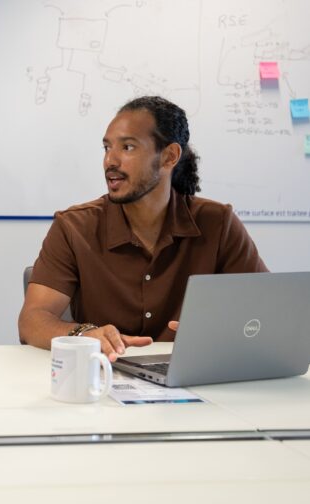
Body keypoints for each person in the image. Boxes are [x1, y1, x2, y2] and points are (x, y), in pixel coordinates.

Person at [19, 95, 267, 360]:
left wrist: (222, 331)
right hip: (104, 374)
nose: (110, 161)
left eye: (127, 147)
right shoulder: (74, 227)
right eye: (107, 148)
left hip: (192, 373)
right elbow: (32, 321)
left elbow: (266, 311)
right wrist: (84, 335)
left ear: (169, 157)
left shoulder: (218, 223)